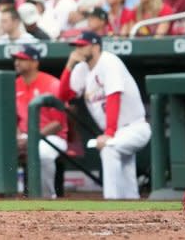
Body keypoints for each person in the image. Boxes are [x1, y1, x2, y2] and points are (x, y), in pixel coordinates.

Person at [58, 32, 151, 199]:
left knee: (109, 149)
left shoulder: (109, 61)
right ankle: (132, 206)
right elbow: (64, 96)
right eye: (76, 46)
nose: (78, 49)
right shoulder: (81, 69)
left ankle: (111, 203)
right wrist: (69, 65)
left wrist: (109, 133)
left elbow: (113, 97)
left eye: (82, 45)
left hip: (135, 127)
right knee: (125, 171)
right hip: (119, 132)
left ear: (95, 46)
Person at [12, 45, 67, 198]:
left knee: (42, 153)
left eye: (22, 59)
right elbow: (14, 119)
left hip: (52, 137)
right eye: (16, 59)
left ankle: (46, 197)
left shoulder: (52, 84)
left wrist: (31, 138)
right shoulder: (15, 84)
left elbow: (58, 123)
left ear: (35, 62)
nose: (17, 62)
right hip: (24, 136)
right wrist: (18, 137)